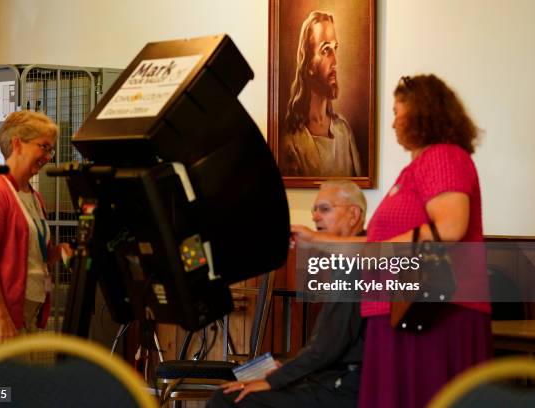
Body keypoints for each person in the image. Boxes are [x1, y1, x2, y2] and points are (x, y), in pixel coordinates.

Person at [358, 75, 492, 408]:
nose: (392, 123)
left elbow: (450, 226)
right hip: (403, 312)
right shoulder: (415, 169)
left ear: (422, 112)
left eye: (397, 112)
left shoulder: (442, 157)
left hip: (431, 315)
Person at [208, 180, 366, 408]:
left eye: (324, 209)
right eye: (314, 210)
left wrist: (274, 380)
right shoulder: (349, 260)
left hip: (342, 388)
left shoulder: (357, 263)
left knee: (227, 399)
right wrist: (287, 367)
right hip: (329, 379)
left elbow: (327, 348)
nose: (314, 217)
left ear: (353, 215)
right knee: (240, 383)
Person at [0, 111, 70, 344]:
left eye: (51, 150)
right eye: (44, 147)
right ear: (18, 144)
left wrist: (60, 252)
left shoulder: (34, 197)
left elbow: (37, 255)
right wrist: (1, 316)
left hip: (29, 317)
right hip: (3, 321)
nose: (48, 156)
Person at [279, 11, 362, 177]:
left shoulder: (343, 131)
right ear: (308, 63)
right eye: (325, 51)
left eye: (335, 49)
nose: (335, 63)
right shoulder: (292, 141)